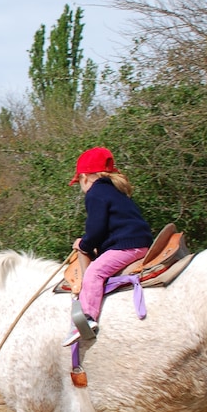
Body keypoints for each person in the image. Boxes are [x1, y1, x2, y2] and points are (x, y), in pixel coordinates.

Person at [64, 147, 153, 346]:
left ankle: (86, 319)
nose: (80, 186)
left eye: (78, 182)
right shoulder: (116, 192)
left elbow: (96, 228)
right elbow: (113, 228)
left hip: (126, 246)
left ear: (85, 177)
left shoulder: (95, 193)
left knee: (94, 273)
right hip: (140, 243)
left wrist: (84, 245)